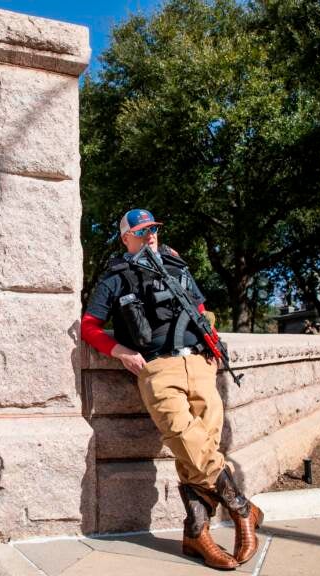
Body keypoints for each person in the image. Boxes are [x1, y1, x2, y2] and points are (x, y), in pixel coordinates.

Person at [81, 209, 262, 571]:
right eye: (142, 231)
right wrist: (119, 351)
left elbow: (200, 311)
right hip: (158, 368)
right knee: (184, 436)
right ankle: (241, 506)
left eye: (154, 231)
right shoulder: (115, 278)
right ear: (126, 238)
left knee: (200, 449)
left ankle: (195, 534)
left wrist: (212, 350)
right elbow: (89, 325)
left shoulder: (178, 268)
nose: (150, 236)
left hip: (199, 364)